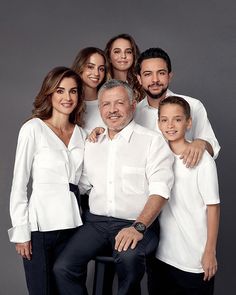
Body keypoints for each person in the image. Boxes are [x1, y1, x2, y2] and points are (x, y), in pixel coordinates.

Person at [53, 79, 174, 295]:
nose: (112, 110)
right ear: (99, 108)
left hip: (137, 223)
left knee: (128, 258)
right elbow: (83, 185)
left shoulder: (152, 141)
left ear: (132, 104)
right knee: (63, 267)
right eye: (106, 104)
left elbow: (161, 191)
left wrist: (138, 227)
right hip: (96, 224)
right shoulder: (93, 142)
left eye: (119, 103)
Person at [8, 67, 86, 295]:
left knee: (71, 289)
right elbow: (19, 183)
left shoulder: (81, 133)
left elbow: (84, 182)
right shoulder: (33, 129)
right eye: (60, 91)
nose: (67, 97)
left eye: (73, 91)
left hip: (73, 225)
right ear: (49, 93)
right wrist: (22, 232)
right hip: (40, 227)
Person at [147, 95, 220, 295]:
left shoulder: (202, 160)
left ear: (188, 123)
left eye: (177, 119)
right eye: (164, 120)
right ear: (158, 123)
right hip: (161, 256)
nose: (170, 125)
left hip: (194, 258)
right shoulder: (156, 157)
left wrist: (209, 251)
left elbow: (213, 207)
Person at [135, 47, 220, 168]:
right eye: (148, 74)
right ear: (139, 79)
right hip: (148, 185)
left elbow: (213, 148)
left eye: (161, 73)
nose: (155, 80)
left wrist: (201, 143)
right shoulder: (134, 114)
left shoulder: (193, 106)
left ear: (170, 76)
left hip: (186, 181)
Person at [72, 47, 108, 134]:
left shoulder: (110, 104)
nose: (96, 73)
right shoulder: (68, 104)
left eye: (101, 69)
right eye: (90, 67)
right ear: (80, 67)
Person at [105, 33, 145, 101]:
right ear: (109, 57)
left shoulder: (141, 86)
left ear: (134, 56)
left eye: (128, 52)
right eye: (117, 52)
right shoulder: (101, 86)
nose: (123, 56)